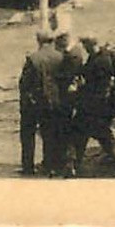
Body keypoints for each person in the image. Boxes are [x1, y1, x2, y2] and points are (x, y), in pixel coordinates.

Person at [42, 29, 85, 177]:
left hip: (68, 100)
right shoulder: (75, 52)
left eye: (58, 42)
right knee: (66, 132)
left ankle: (68, 164)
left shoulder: (72, 55)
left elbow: (68, 76)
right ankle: (68, 163)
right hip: (70, 99)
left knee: (65, 131)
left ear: (64, 40)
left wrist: (55, 76)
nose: (56, 45)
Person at [72, 37, 115, 174]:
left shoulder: (101, 61)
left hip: (94, 103)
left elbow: (98, 84)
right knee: (100, 133)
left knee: (82, 132)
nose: (84, 48)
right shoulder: (97, 56)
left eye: (85, 45)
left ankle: (75, 165)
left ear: (91, 44)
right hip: (93, 103)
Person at [18, 29, 58, 176]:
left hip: (33, 103)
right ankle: (49, 165)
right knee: (49, 134)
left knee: (28, 134)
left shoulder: (33, 58)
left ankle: (28, 167)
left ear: (38, 41)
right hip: (52, 102)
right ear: (52, 41)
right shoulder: (59, 57)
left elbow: (24, 83)